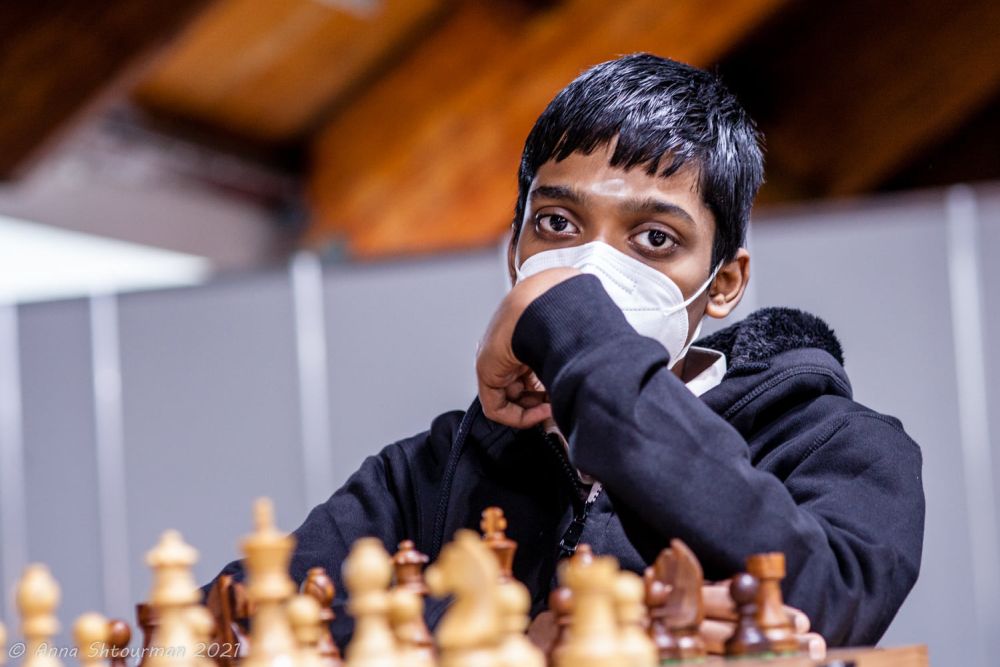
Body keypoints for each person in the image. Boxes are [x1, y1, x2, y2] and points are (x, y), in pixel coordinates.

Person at [209, 53, 925, 648]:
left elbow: (826, 605)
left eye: (655, 238)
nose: (588, 271)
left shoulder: (841, 446)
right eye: (556, 223)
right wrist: (520, 640)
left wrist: (564, 316)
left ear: (725, 283)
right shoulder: (431, 470)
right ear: (513, 251)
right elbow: (209, 634)